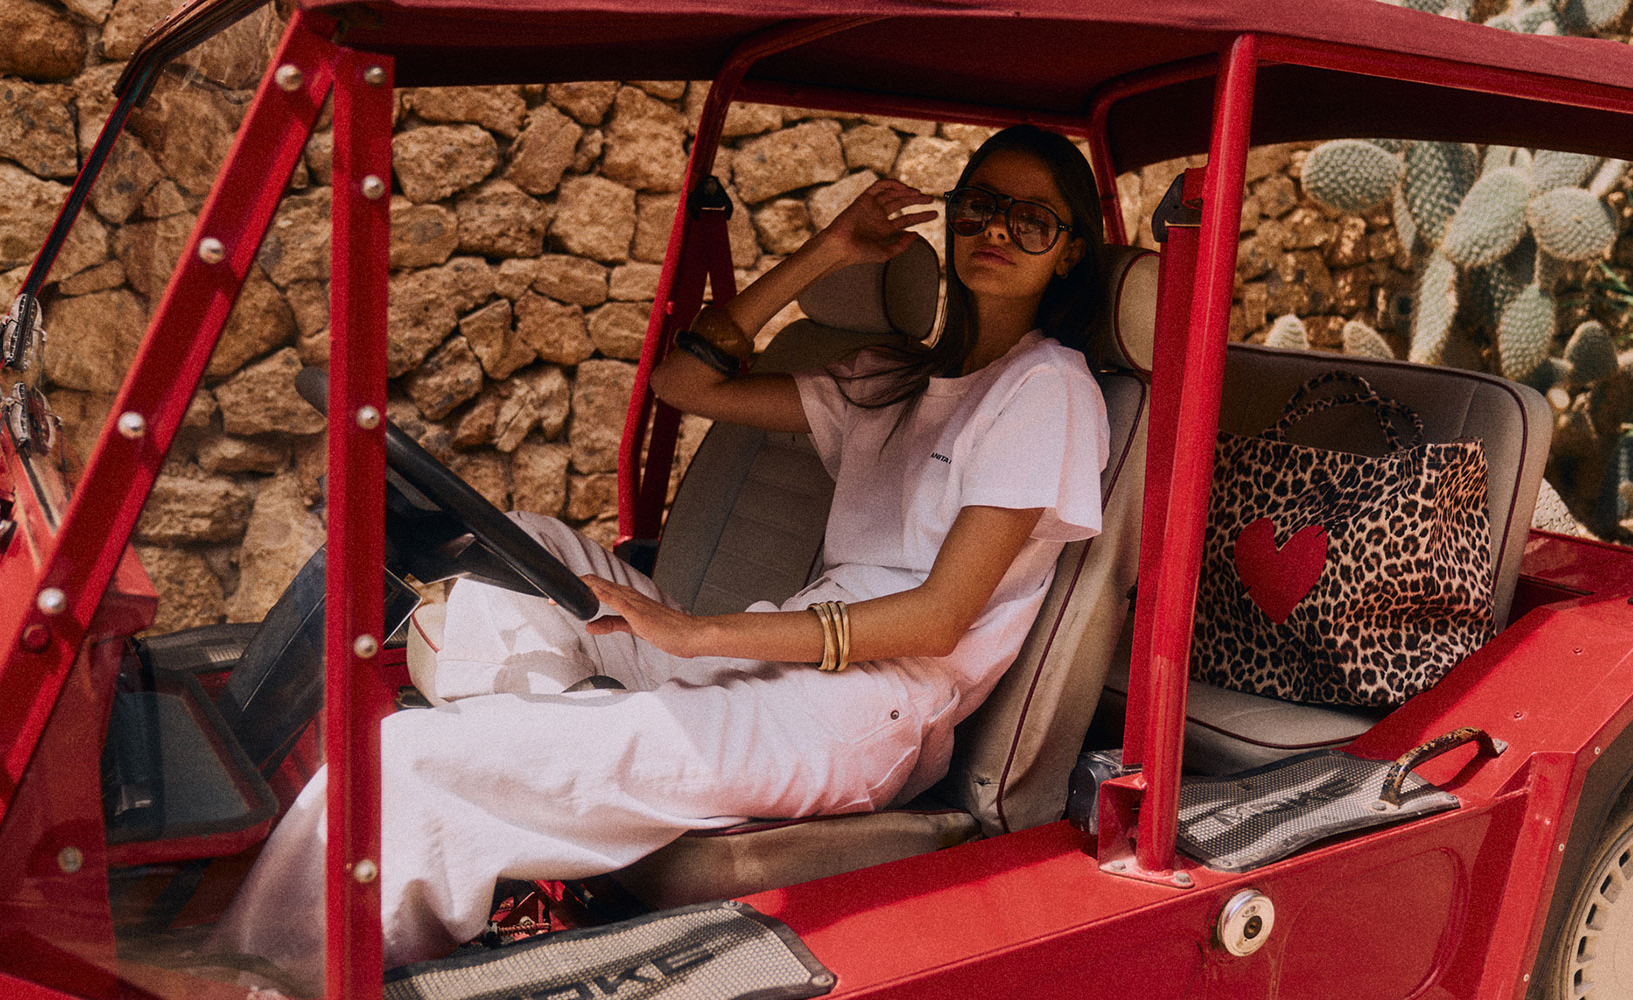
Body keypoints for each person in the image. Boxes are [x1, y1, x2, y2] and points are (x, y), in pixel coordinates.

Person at [211, 124, 1111, 983]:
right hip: (780, 653)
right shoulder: (892, 378)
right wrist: (827, 252)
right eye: (979, 205)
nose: (997, 231)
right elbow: (686, 383)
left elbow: (940, 616)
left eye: (1031, 222)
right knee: (518, 548)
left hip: (867, 711)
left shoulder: (1048, 389)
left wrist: (693, 635)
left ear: (1067, 251)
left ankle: (263, 984)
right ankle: (557, 765)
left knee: (409, 761)